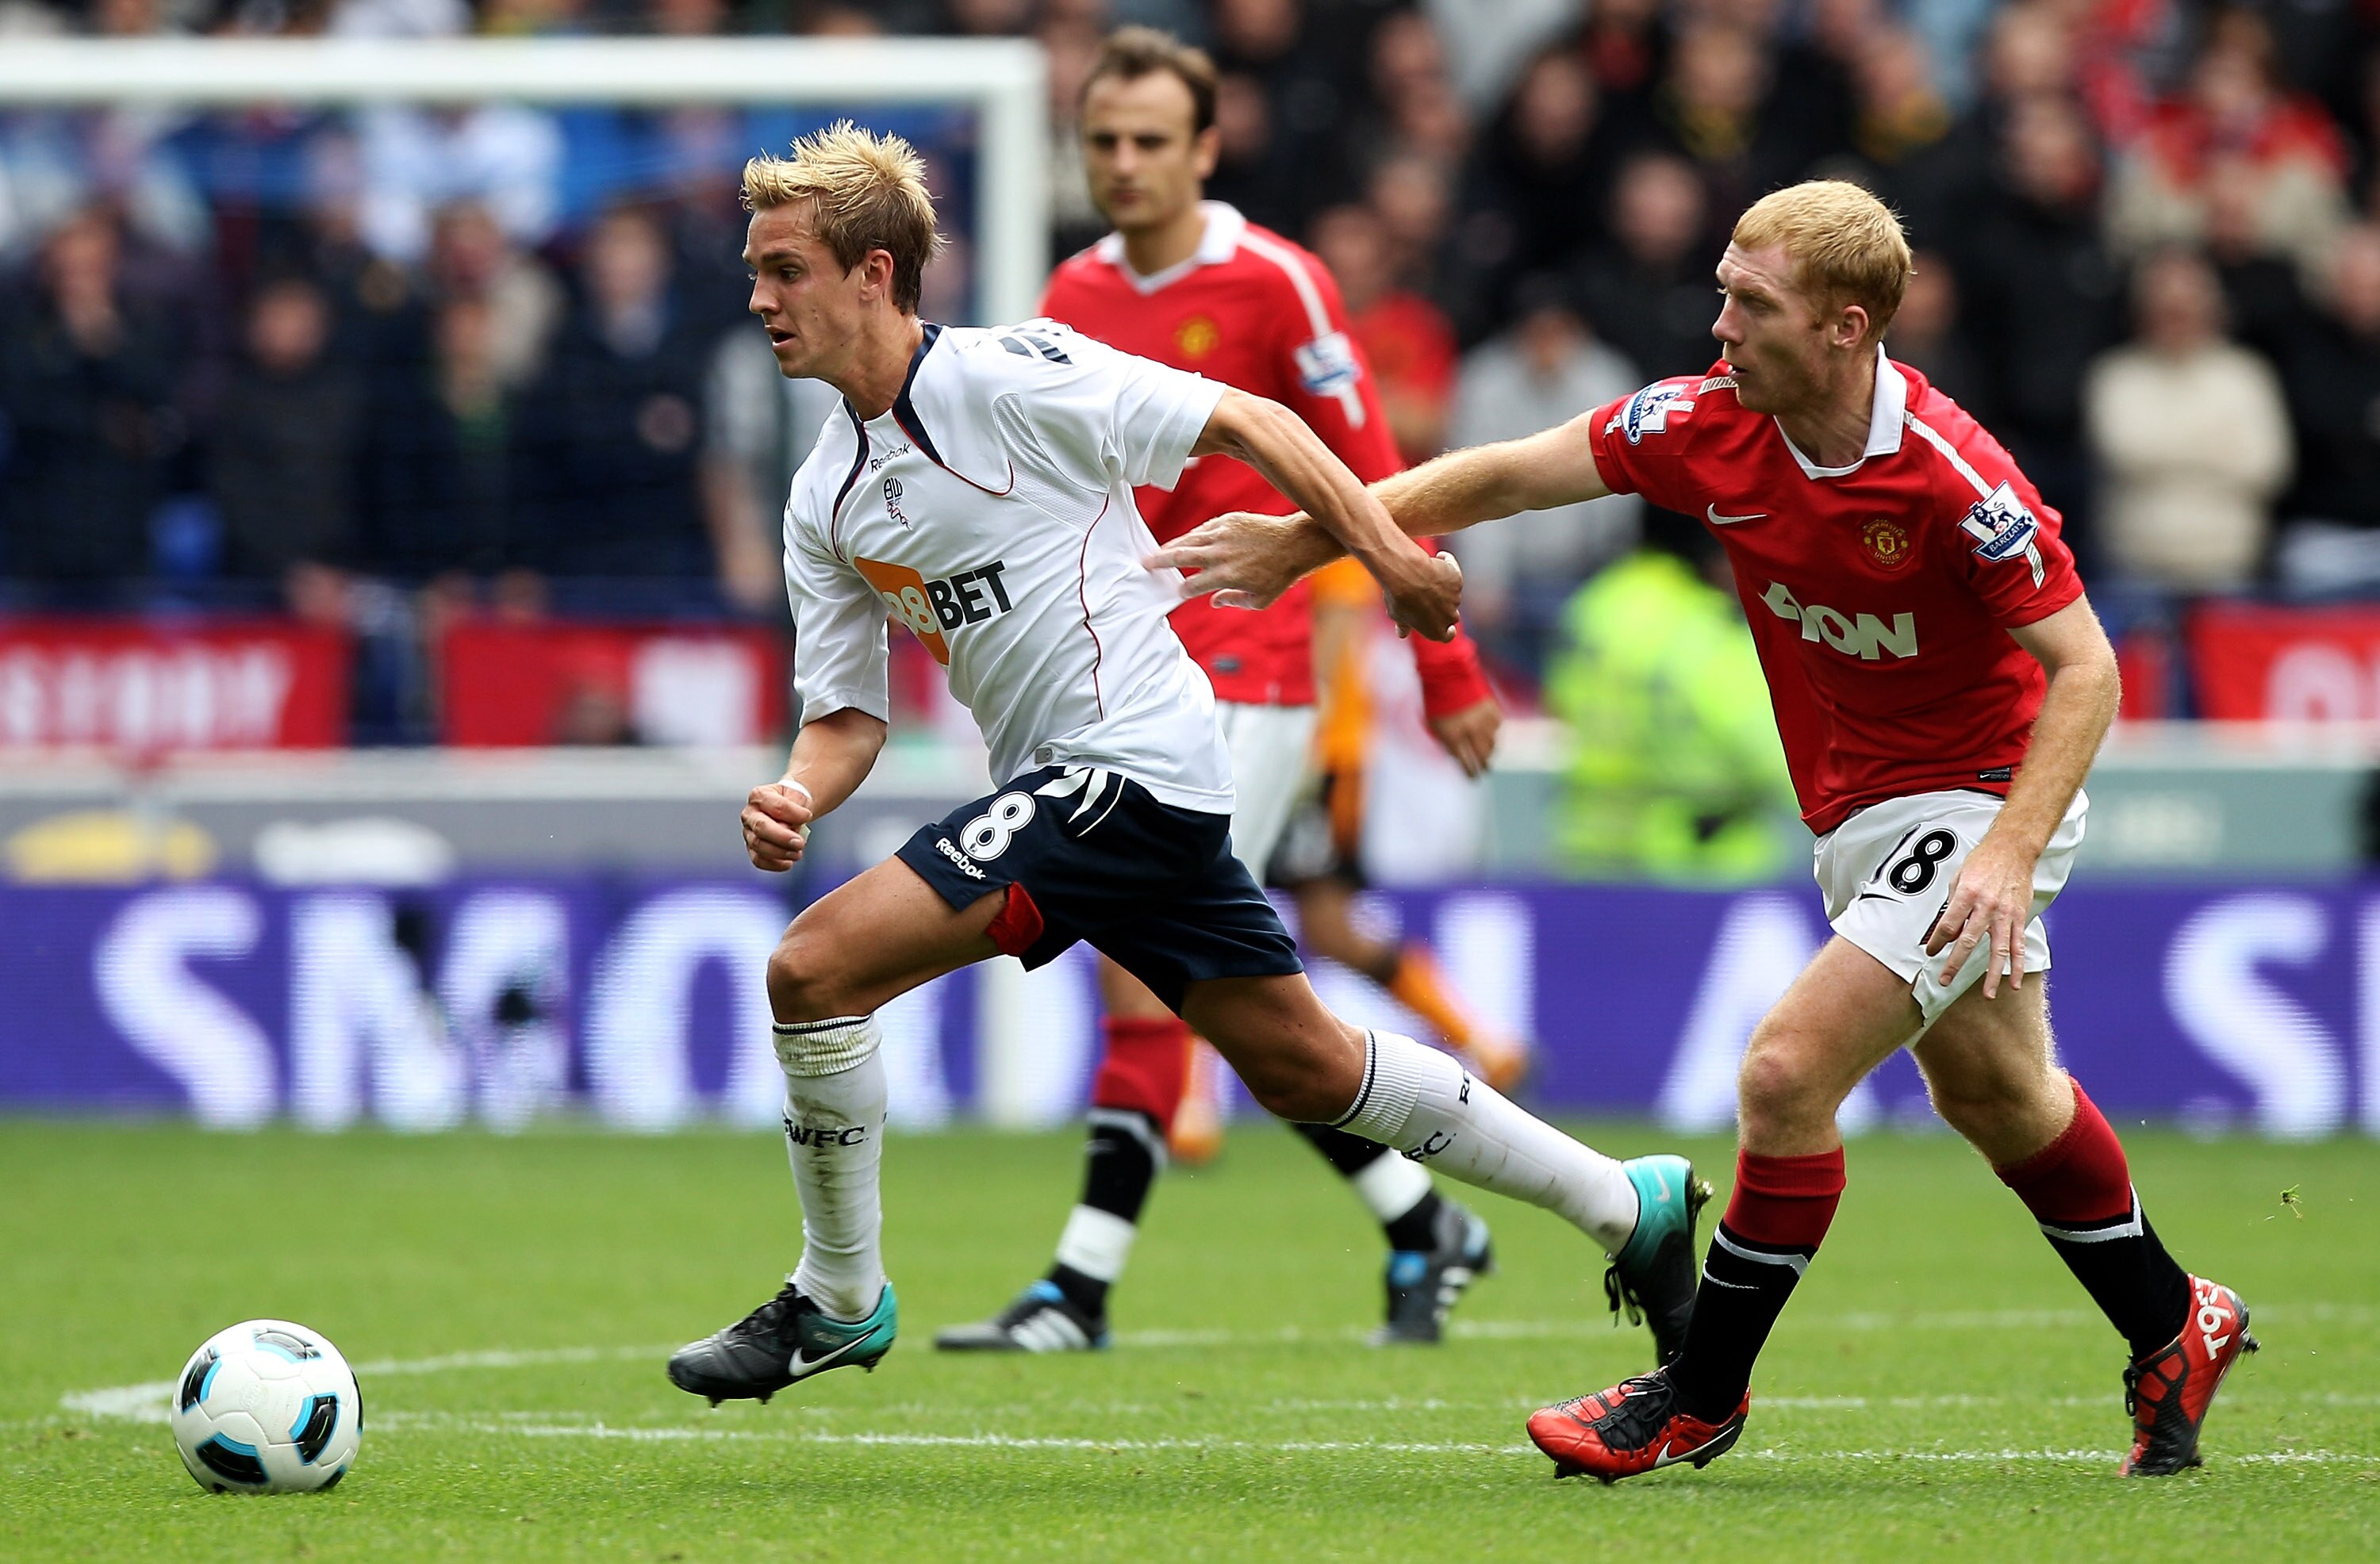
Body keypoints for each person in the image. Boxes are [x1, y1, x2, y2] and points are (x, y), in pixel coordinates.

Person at [1154, 179, 2257, 1481]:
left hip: (1981, 795)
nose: (1718, 322)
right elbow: (1507, 474)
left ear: (1846, 327)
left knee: (1786, 1075)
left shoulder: (1951, 473)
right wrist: (1306, 535)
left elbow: (2087, 668)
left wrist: (2009, 850)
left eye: (1752, 301)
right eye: (1722, 289)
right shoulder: (1706, 423)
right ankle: (2174, 1322)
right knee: (1998, 1093)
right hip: (1859, 809)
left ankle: (1696, 1393)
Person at [662, 122, 1710, 1405]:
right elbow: (848, 719)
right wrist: (796, 791)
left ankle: (838, 1298)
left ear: (875, 275)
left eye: (784, 271)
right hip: (1085, 792)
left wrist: (1387, 561)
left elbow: (1253, 419)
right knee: (1307, 1067)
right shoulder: (826, 493)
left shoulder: (1014, 378)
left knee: (812, 968)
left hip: (1132, 765)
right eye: (756, 273)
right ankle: (1629, 1203)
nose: (759, 298)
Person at [931, 28, 1553, 1357]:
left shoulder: (1279, 283)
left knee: (1159, 982)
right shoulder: (1072, 293)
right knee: (1227, 995)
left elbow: (1376, 461)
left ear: (1207, 147)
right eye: (1104, 140)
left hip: (1256, 671)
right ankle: (1416, 1220)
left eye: (1153, 140)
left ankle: (1078, 1292)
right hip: (1131, 670)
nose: (1126, 163)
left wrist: (1442, 662)